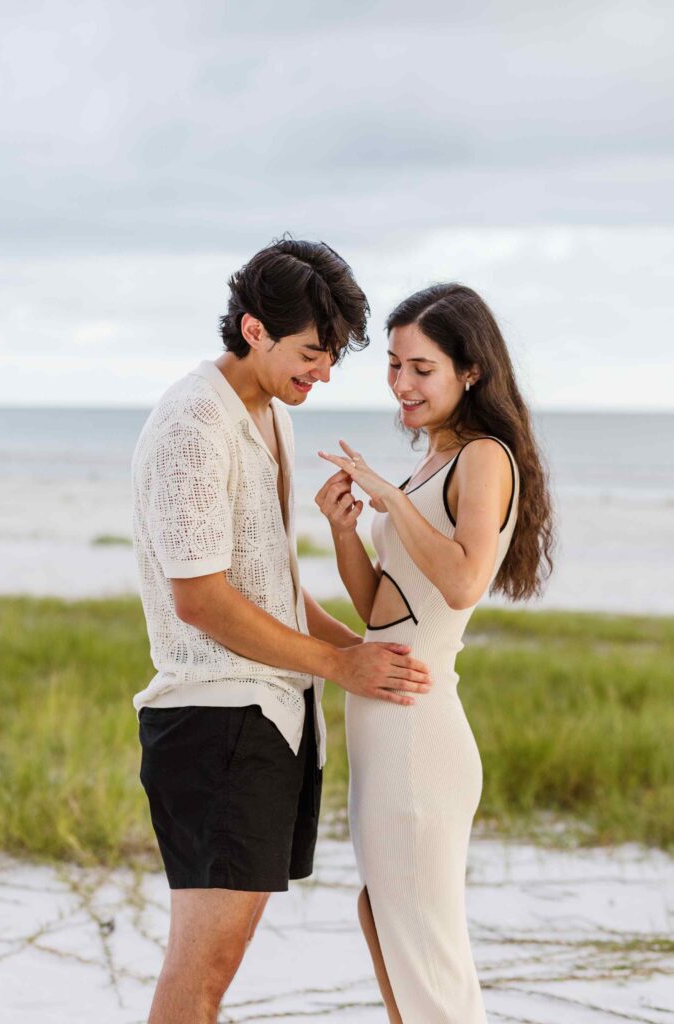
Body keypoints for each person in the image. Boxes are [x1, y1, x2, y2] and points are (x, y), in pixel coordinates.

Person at [130, 237, 432, 1024]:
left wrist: (363, 654)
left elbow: (271, 587)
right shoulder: (194, 425)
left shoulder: (266, 415)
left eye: (331, 357)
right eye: (310, 353)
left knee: (214, 974)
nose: (323, 374)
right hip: (216, 721)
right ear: (254, 328)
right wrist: (343, 668)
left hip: (264, 722)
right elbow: (202, 600)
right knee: (201, 974)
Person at [316, 282, 555, 1023]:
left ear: (469, 371)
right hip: (385, 726)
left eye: (421, 368)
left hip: (420, 734)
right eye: (392, 365)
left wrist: (388, 498)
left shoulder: (483, 458)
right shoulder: (428, 464)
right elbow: (382, 613)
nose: (401, 384)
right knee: (383, 918)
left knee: (425, 950)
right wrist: (345, 530)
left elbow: (459, 582)